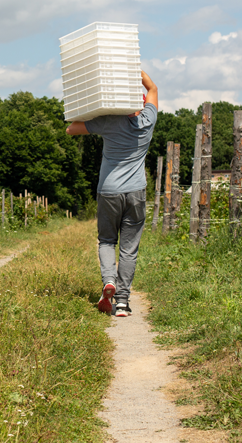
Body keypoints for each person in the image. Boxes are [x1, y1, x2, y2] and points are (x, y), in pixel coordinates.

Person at [66, 71, 158, 317]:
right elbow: (153, 88)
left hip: (108, 191)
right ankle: (122, 302)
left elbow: (71, 129)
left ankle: (109, 281)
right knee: (129, 249)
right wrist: (133, 68)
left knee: (107, 240)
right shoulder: (148, 121)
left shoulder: (109, 121)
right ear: (139, 106)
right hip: (136, 192)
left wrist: (97, 114)